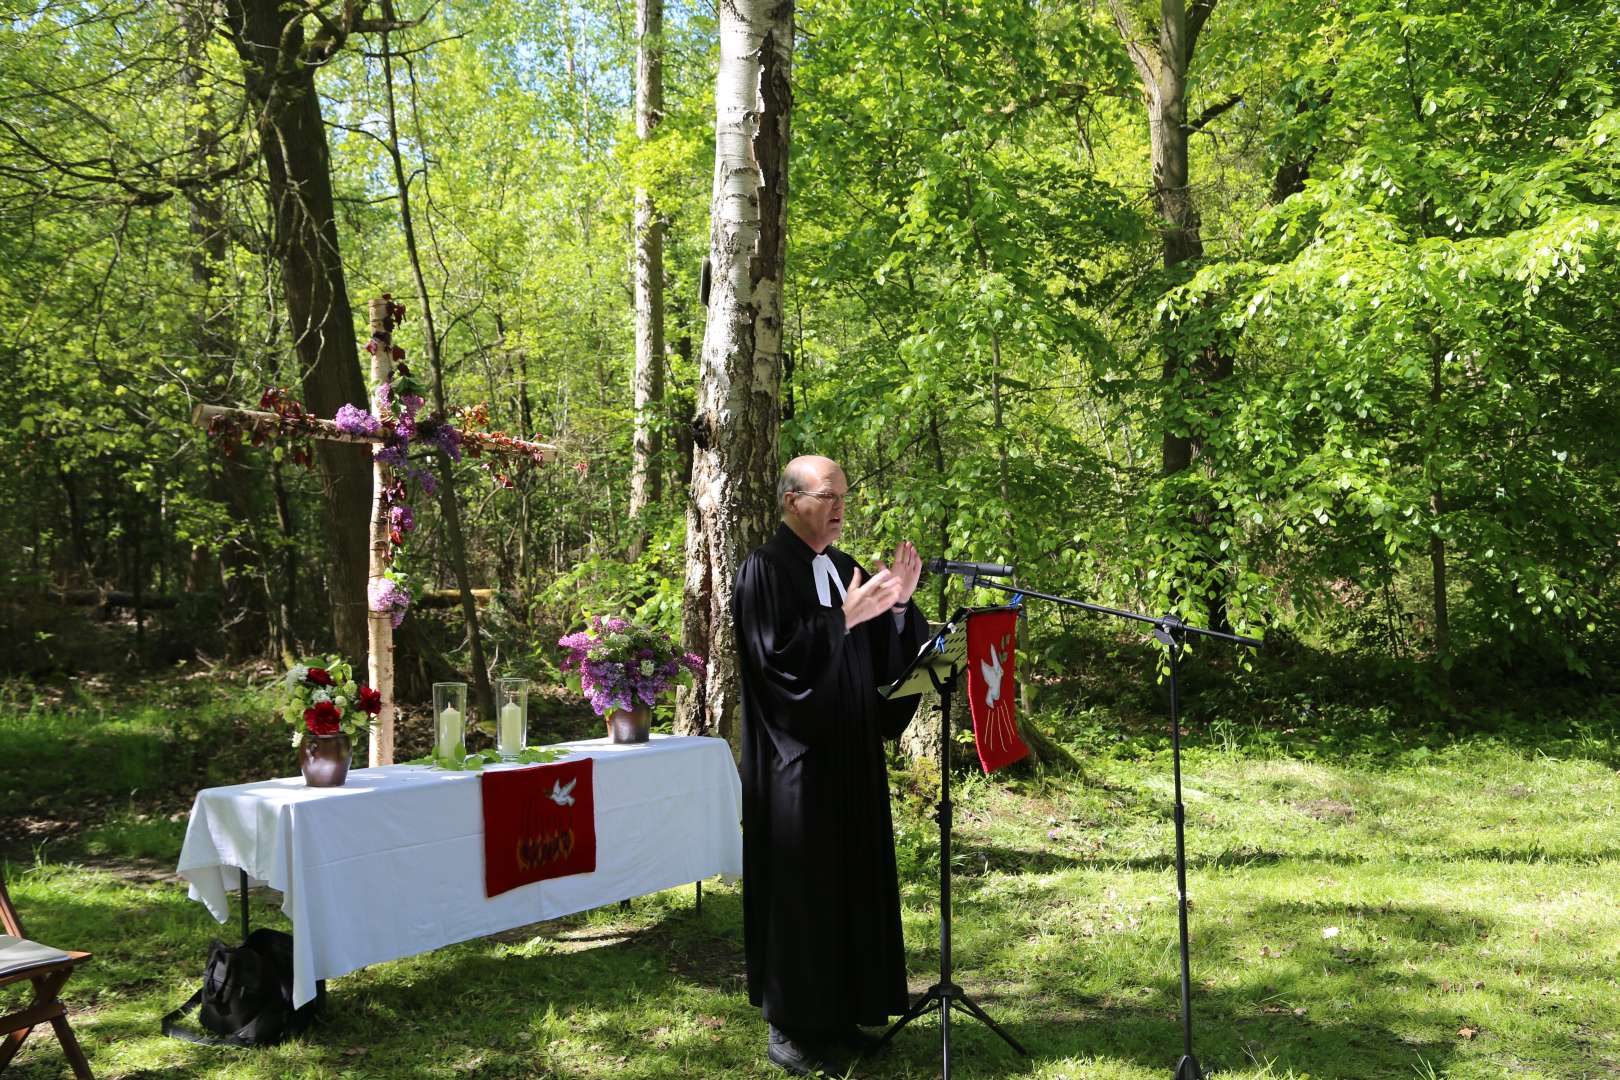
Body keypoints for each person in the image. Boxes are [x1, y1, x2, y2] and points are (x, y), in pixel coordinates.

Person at [732, 455, 930, 1075]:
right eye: (828, 495)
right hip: (797, 765)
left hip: (851, 756)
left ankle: (843, 1014)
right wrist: (847, 615)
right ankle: (790, 1025)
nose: (841, 505)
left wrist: (898, 608)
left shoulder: (846, 568)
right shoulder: (763, 571)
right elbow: (776, 666)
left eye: (845, 494)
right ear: (793, 501)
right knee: (802, 890)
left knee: (850, 882)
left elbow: (881, 662)